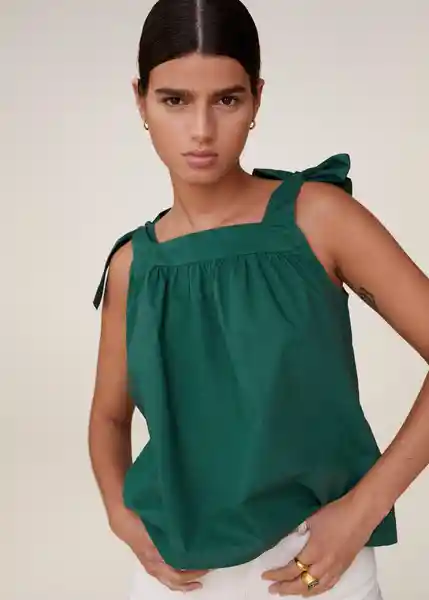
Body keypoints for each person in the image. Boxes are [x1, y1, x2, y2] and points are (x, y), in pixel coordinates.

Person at [88, 0, 429, 598]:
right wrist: (121, 516)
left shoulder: (318, 220)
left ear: (257, 98)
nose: (201, 129)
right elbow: (108, 417)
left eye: (226, 99)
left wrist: (361, 513)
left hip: (318, 568)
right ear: (140, 101)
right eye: (175, 100)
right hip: (176, 580)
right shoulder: (133, 266)